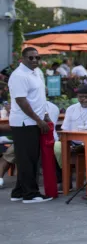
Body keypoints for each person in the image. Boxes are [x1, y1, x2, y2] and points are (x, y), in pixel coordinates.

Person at [8, 47, 53, 203]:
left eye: (37, 58)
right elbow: (22, 101)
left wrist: (45, 115)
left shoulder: (37, 73)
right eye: (30, 58)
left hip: (34, 121)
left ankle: (19, 191)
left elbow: (39, 97)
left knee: (30, 158)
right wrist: (38, 120)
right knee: (27, 159)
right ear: (23, 58)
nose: (34, 60)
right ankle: (30, 194)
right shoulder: (19, 75)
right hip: (24, 122)